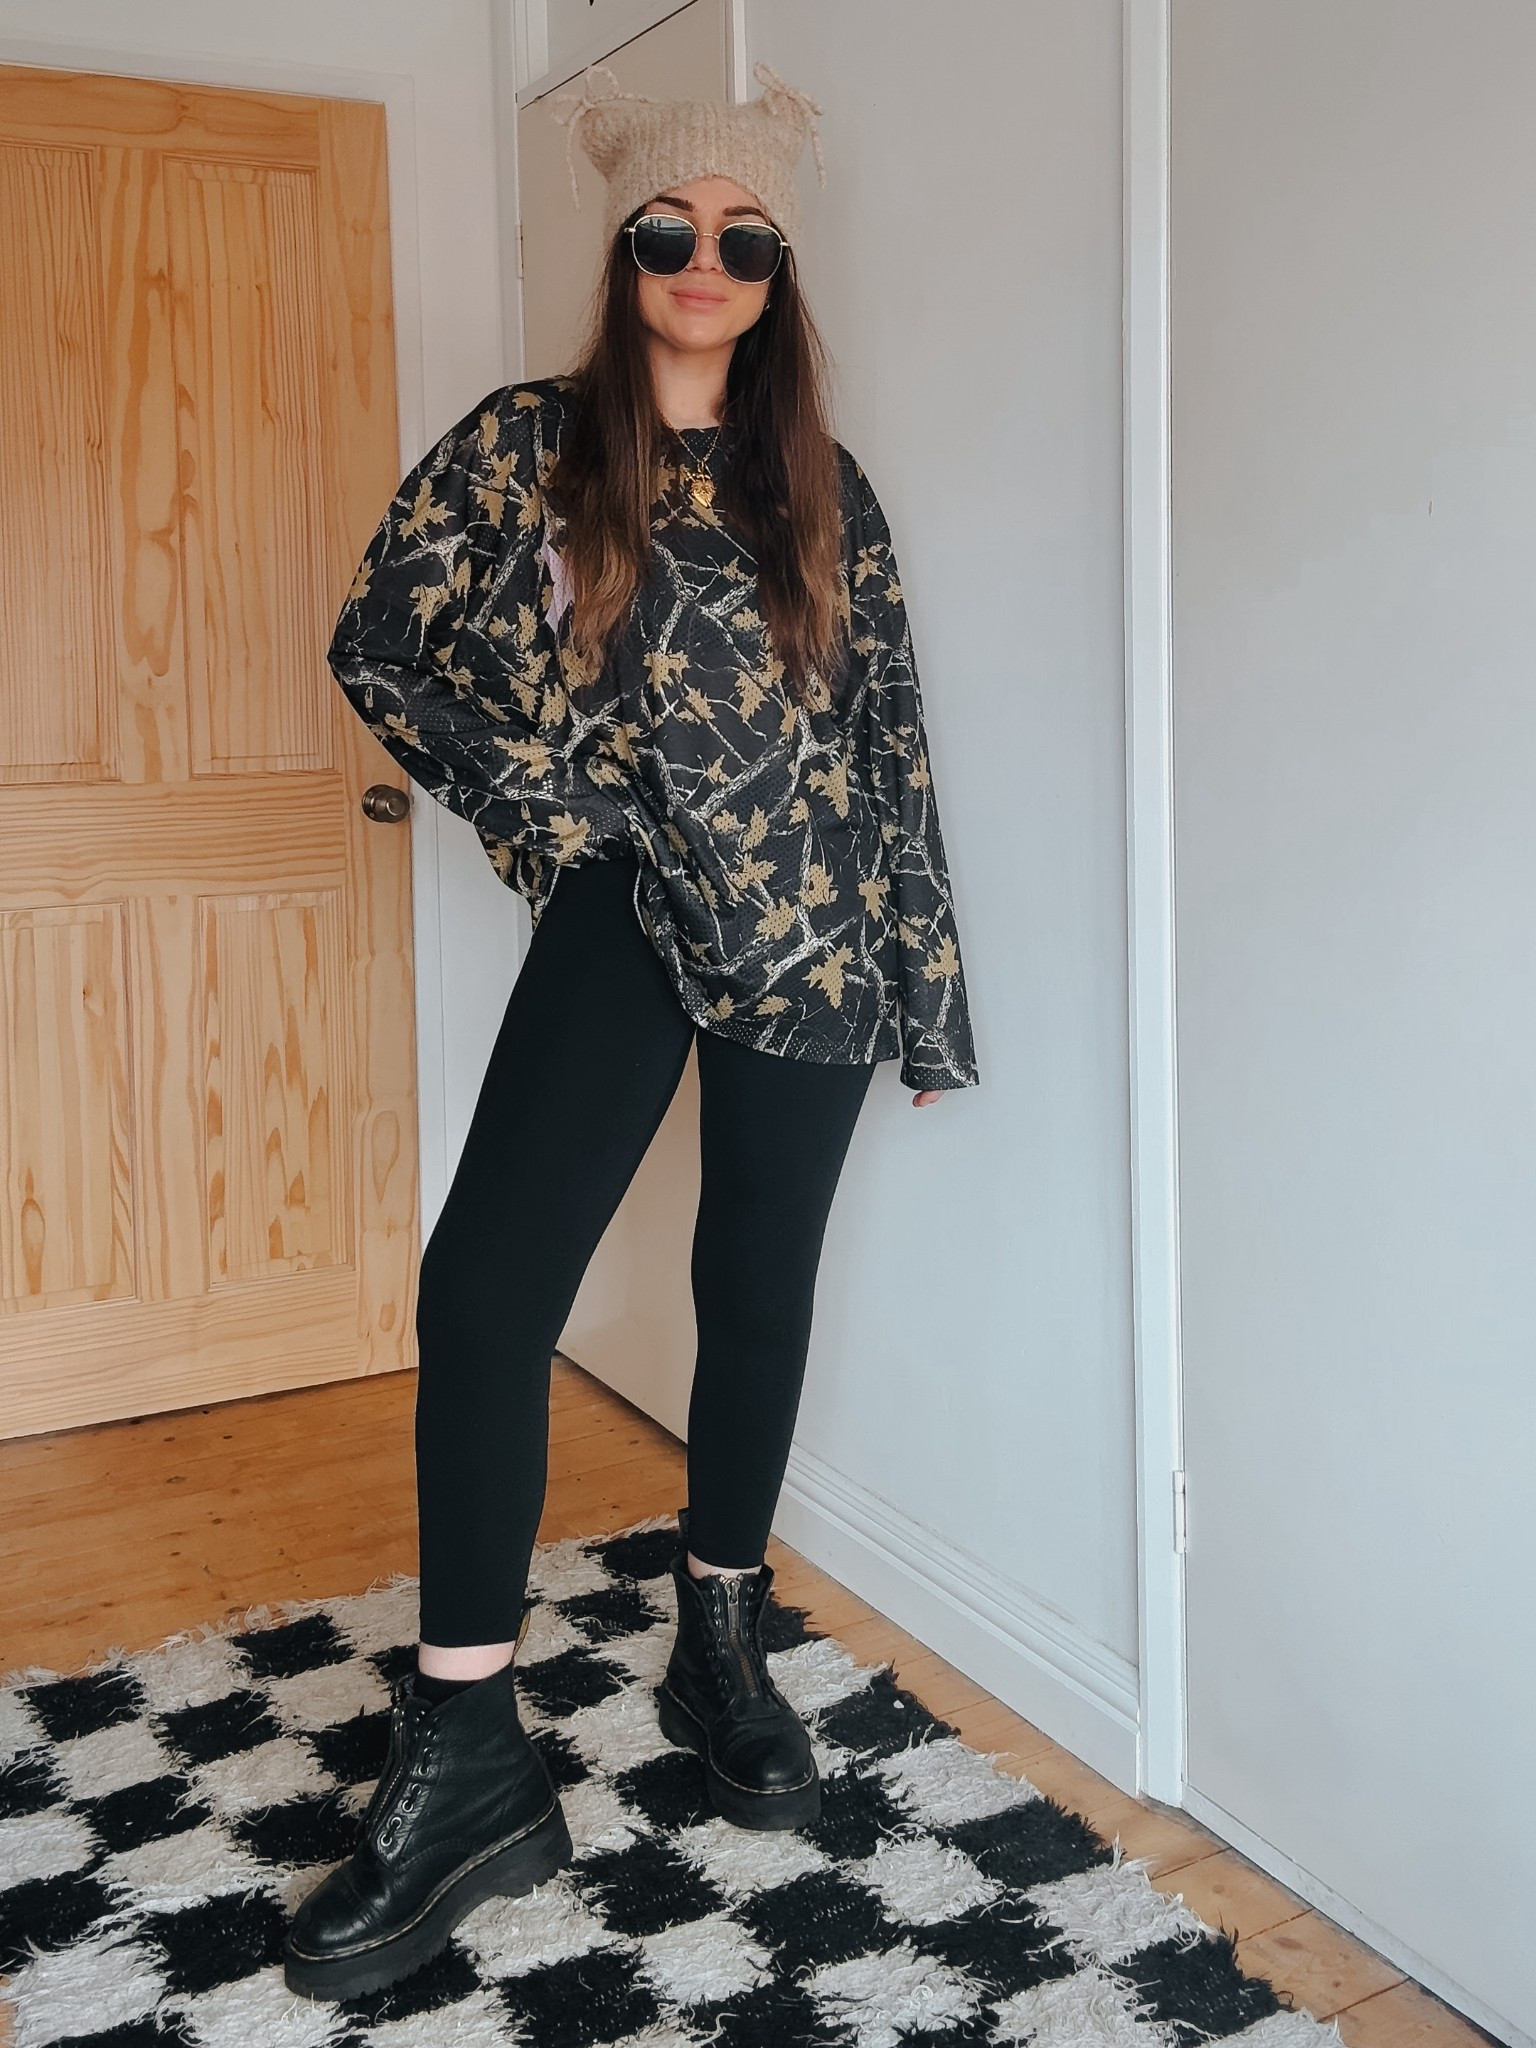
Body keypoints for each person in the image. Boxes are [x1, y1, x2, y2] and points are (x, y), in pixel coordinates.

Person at [282, 60, 978, 2001]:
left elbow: (889, 751)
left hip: (817, 941)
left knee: (753, 1293)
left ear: (778, 274)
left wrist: (930, 996)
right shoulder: (531, 448)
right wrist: (547, 807)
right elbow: (378, 642)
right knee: (486, 1293)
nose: (702, 260)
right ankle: (470, 1750)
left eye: (743, 238)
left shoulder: (826, 491)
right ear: (625, 246)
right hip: (630, 911)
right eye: (669, 227)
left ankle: (718, 1639)